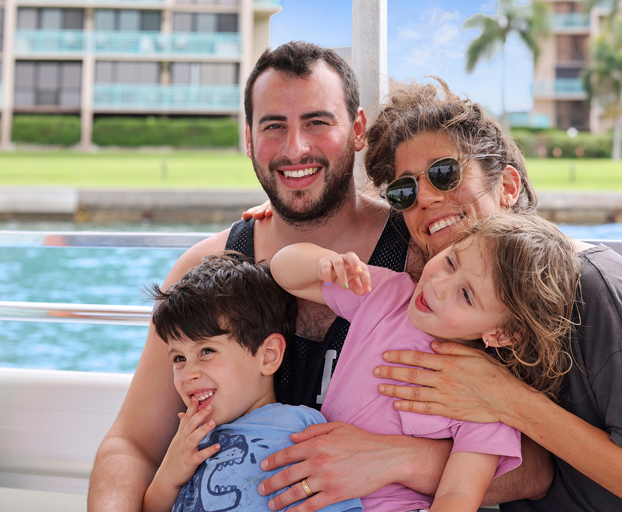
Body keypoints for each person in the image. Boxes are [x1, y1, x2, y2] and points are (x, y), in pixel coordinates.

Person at [88, 42, 552, 512]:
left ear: (356, 130)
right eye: (273, 126)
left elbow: (534, 467)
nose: (295, 149)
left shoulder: (427, 263)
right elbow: (132, 444)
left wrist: (398, 459)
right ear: (249, 138)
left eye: (317, 122)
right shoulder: (210, 268)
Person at [359, 79, 622, 511]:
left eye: (444, 173)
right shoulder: (450, 303)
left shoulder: (596, 290)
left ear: (507, 187)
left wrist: (505, 397)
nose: (426, 198)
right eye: (405, 192)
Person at [271, 213, 577, 511]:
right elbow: (284, 272)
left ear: (501, 334)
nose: (438, 285)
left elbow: (458, 494)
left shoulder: (484, 401)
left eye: (466, 295)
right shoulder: (387, 294)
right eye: (450, 262)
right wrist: (321, 262)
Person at [142, 254, 363, 512]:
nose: (188, 373)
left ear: (268, 355)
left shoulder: (299, 429)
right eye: (179, 358)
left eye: (207, 351)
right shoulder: (187, 439)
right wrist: (168, 475)